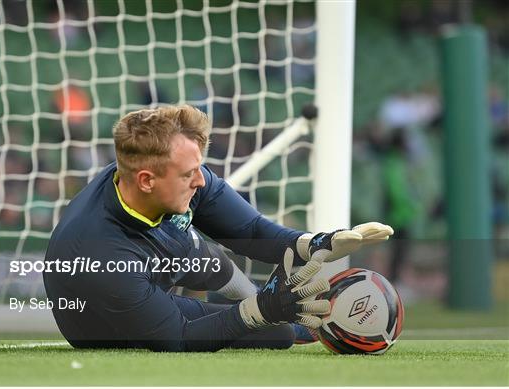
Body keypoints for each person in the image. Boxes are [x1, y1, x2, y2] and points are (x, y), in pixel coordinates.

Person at [43, 105, 393, 352]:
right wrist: (263, 311)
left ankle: (263, 300)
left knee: (208, 261)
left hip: (161, 259)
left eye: (199, 166)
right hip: (108, 322)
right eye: (188, 174)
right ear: (147, 180)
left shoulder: (180, 179)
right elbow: (180, 338)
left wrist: (319, 242)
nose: (201, 180)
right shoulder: (101, 255)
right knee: (279, 334)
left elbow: (253, 232)